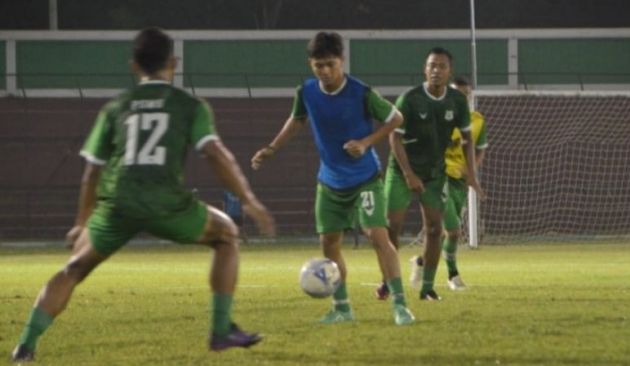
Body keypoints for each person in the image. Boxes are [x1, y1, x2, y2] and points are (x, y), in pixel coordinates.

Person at [11, 27, 275, 363]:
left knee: (74, 268)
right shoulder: (189, 105)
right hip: (166, 201)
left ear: (134, 65)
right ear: (174, 63)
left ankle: (25, 346)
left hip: (117, 202)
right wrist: (249, 200)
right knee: (226, 235)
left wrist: (81, 222)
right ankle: (221, 330)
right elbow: (215, 153)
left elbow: (92, 171)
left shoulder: (115, 108)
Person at [251, 31, 415, 326]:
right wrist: (272, 148)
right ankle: (342, 309)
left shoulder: (361, 92)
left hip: (365, 178)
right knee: (329, 243)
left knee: (377, 236)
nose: (325, 71)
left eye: (330, 64)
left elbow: (396, 118)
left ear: (342, 61)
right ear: (310, 65)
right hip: (329, 181)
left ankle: (400, 306)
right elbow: (297, 119)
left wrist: (366, 142)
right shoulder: (307, 92)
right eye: (318, 65)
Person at [379, 48, 485, 301]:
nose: (436, 70)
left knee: (436, 229)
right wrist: (408, 174)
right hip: (401, 170)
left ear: (450, 71)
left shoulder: (457, 101)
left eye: (442, 66)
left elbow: (469, 140)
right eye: (431, 65)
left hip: (435, 173)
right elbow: (394, 138)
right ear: (425, 69)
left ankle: (427, 288)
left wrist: (472, 174)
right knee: (392, 228)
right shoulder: (410, 99)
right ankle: (389, 282)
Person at [409, 75, 488, 291]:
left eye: (466, 94)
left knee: (443, 233)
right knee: (453, 231)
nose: (462, 98)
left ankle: (421, 262)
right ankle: (453, 276)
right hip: (438, 178)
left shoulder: (477, 120)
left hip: (459, 182)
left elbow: (480, 148)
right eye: (457, 94)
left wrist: (471, 170)